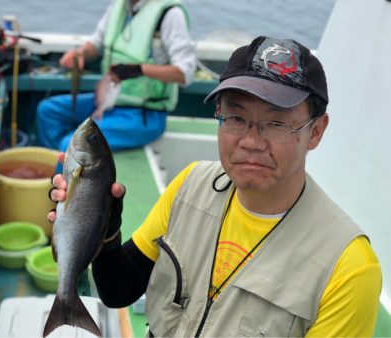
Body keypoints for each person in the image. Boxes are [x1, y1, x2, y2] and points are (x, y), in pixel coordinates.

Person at [48, 36, 382, 337]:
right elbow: (119, 291)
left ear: (317, 131)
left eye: (277, 122)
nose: (251, 141)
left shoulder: (348, 268)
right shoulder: (191, 185)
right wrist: (104, 229)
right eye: (236, 118)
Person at [36, 0, 196, 152]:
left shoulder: (171, 13)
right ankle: (61, 170)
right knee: (48, 111)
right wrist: (80, 53)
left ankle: (67, 170)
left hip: (145, 114)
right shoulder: (119, 5)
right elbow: (96, 42)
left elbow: (185, 72)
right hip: (107, 101)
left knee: (73, 146)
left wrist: (139, 70)